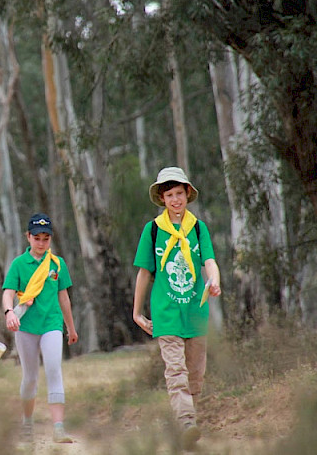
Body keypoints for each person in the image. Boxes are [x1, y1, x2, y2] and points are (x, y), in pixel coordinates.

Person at [132, 167, 222, 450]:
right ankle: (185, 421)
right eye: (169, 195)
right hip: (166, 312)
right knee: (175, 371)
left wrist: (215, 280)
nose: (175, 200)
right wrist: (137, 312)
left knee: (195, 373)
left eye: (179, 194)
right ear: (162, 197)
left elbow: (208, 260)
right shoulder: (154, 230)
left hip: (195, 311)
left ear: (187, 195)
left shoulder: (198, 228)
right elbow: (145, 272)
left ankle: (187, 424)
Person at [2, 213, 78, 444]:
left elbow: (63, 297)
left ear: (51, 239)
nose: (41, 242)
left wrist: (70, 328)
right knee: (30, 377)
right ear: (28, 237)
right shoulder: (18, 264)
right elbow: (8, 292)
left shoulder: (57, 264)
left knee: (54, 369)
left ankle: (58, 427)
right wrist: (9, 312)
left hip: (52, 324)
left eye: (46, 238)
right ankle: (27, 422)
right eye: (37, 238)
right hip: (26, 327)